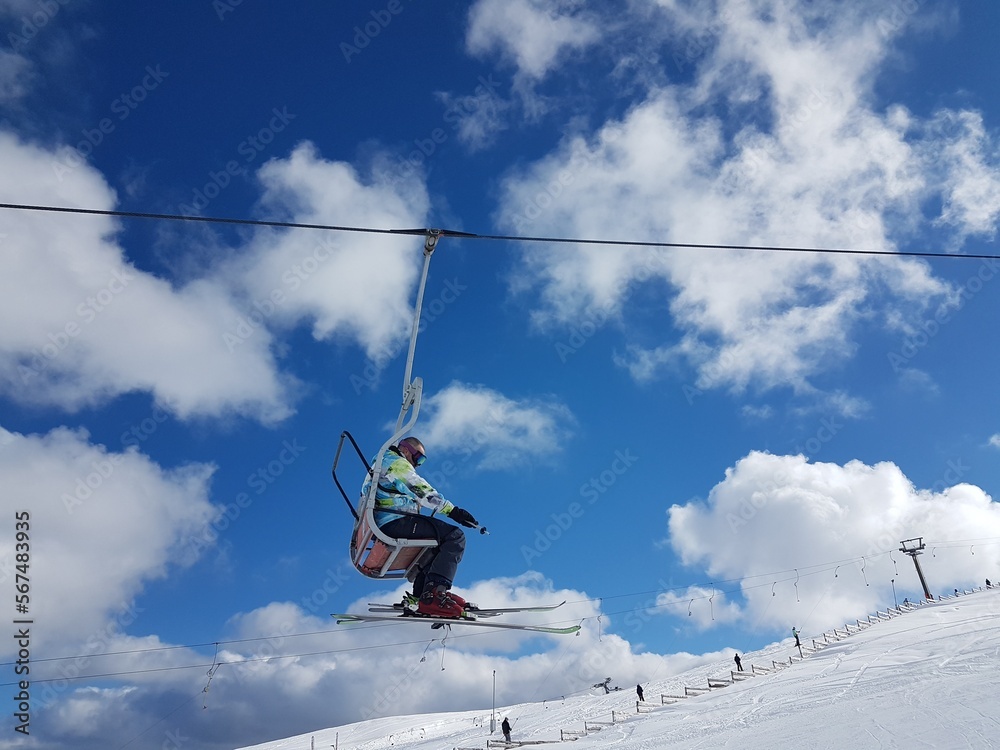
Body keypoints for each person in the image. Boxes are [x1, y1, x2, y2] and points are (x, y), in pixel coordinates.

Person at [362, 436, 479, 618]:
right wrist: (453, 511)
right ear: (406, 450)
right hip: (395, 521)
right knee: (455, 536)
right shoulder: (394, 463)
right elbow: (420, 489)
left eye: (421, 461)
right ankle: (433, 597)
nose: (418, 464)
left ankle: (422, 595)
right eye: (418, 457)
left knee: (435, 542)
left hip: (390, 520)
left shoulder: (380, 464)